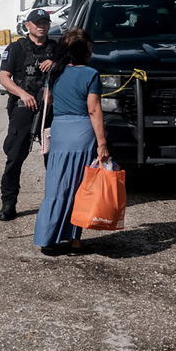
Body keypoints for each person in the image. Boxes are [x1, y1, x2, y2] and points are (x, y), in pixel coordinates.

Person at [33, 29, 109, 255]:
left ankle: (47, 238)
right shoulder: (91, 74)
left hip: (60, 131)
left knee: (56, 186)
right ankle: (75, 240)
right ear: (84, 51)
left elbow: (49, 99)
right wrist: (102, 143)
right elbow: (94, 111)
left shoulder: (54, 72)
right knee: (79, 188)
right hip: (82, 133)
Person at [0, 8, 56, 221]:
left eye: (45, 22)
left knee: (53, 158)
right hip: (24, 108)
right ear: (27, 25)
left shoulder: (57, 48)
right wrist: (22, 94)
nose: (41, 26)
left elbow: (72, 69)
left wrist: (56, 64)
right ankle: (8, 203)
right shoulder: (16, 48)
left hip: (49, 111)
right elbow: (5, 78)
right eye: (37, 22)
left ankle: (54, 202)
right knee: (14, 157)